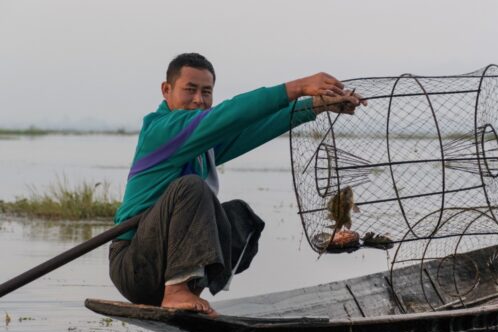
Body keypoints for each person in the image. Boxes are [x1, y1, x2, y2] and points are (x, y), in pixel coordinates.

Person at [109, 53, 364, 316]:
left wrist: (315, 106)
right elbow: (231, 114)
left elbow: (253, 129)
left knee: (240, 216)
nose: (199, 99)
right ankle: (176, 290)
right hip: (134, 265)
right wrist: (296, 88)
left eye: (206, 92)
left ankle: (189, 287)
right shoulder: (162, 130)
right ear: (167, 90)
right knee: (192, 188)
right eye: (190, 90)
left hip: (159, 265)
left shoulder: (201, 142)